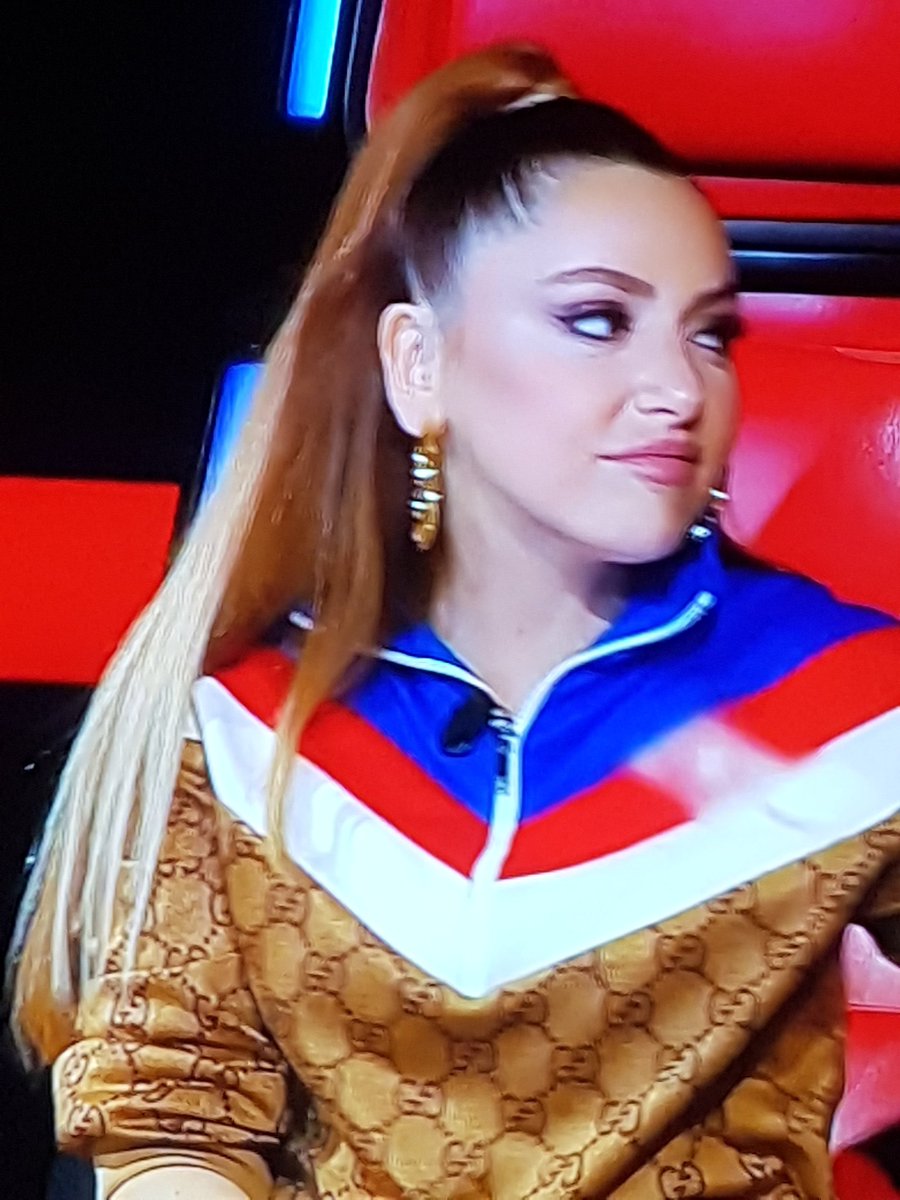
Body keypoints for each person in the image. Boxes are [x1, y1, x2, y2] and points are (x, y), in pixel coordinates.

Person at [9, 42, 900, 1200]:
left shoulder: (848, 701)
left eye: (711, 334)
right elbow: (172, 1120)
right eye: (597, 321)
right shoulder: (246, 725)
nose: (682, 390)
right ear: (418, 363)